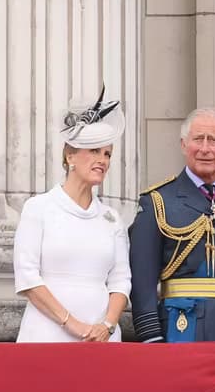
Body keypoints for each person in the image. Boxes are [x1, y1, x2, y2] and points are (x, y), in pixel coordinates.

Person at [128, 108, 215, 343]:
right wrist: (151, 338)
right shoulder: (158, 201)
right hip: (183, 327)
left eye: (213, 140)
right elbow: (142, 282)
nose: (205, 149)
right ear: (183, 145)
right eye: (198, 139)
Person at [14, 91, 130, 342]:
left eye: (107, 154)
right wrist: (73, 324)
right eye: (95, 151)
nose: (103, 160)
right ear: (70, 156)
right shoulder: (38, 208)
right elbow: (27, 278)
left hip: (102, 342)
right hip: (47, 336)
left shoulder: (111, 218)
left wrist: (107, 326)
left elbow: (121, 280)